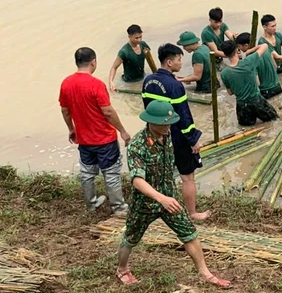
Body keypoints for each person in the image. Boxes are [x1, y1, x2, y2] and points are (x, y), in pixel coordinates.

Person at [115, 100, 231, 289]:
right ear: (152, 122)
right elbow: (137, 180)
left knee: (189, 233)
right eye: (164, 123)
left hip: (170, 197)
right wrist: (161, 198)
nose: (168, 127)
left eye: (170, 123)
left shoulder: (167, 135)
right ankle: (122, 269)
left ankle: (205, 273)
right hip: (145, 203)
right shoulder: (137, 145)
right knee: (131, 238)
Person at [142, 44, 210, 221]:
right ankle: (192, 213)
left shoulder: (148, 81)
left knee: (161, 175)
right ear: (170, 62)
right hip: (176, 136)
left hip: (155, 133)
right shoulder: (174, 85)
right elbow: (183, 116)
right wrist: (193, 139)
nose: (181, 63)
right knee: (188, 177)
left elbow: (148, 109)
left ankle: (159, 209)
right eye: (179, 60)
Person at [59, 47, 130, 214]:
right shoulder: (97, 84)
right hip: (104, 138)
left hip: (84, 139)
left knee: (87, 173)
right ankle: (119, 207)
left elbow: (65, 110)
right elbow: (108, 111)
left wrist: (71, 129)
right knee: (111, 173)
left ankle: (91, 204)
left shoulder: (66, 83)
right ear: (93, 62)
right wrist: (123, 131)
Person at [219, 40, 279, 126]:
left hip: (242, 106)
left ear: (224, 55)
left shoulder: (224, 73)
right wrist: (250, 51)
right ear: (237, 50)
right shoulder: (248, 61)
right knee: (274, 120)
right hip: (257, 101)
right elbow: (265, 45)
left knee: (246, 128)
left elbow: (230, 92)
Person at [236, 33, 282, 100]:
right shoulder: (266, 49)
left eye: (239, 46)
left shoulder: (250, 60)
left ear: (246, 45)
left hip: (266, 92)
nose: (238, 49)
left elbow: (257, 83)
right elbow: (275, 66)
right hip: (278, 87)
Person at [108, 24, 151, 92]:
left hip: (142, 76)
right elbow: (114, 67)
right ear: (129, 36)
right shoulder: (124, 52)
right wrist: (111, 82)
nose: (139, 40)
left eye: (140, 37)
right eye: (136, 38)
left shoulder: (143, 45)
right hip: (129, 82)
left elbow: (150, 59)